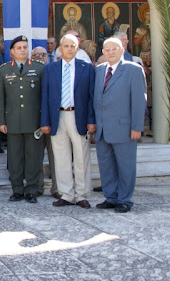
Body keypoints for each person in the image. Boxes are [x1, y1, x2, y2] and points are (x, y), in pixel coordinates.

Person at [40, 34, 95, 208]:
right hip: (58, 117)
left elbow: (91, 97)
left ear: (77, 48)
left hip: (78, 116)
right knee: (61, 157)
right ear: (60, 49)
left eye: (72, 46)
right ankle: (66, 194)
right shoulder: (51, 69)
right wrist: (45, 121)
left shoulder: (86, 68)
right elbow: (45, 97)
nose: (69, 49)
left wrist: (91, 120)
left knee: (81, 156)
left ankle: (81, 194)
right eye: (66, 46)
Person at [94, 38, 147, 213]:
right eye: (107, 49)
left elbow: (139, 101)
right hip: (103, 128)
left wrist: (137, 127)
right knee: (106, 165)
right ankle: (111, 197)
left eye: (114, 49)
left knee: (125, 165)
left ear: (122, 49)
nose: (110, 52)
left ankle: (124, 199)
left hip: (124, 127)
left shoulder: (133, 70)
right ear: (102, 52)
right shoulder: (99, 70)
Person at [0, 36, 44, 203]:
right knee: (15, 158)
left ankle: (31, 190)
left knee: (33, 158)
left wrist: (44, 122)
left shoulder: (39, 68)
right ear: (11, 51)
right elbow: (0, 99)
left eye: (25, 47)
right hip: (12, 121)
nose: (22, 50)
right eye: (19, 47)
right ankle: (17, 190)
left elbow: (43, 98)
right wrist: (1, 121)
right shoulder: (4, 70)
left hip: (34, 122)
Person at [32, 46, 58, 196]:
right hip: (35, 121)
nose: (40, 57)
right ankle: (37, 187)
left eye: (43, 55)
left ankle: (57, 188)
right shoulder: (28, 72)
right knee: (36, 156)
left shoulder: (53, 71)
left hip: (53, 120)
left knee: (56, 157)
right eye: (36, 55)